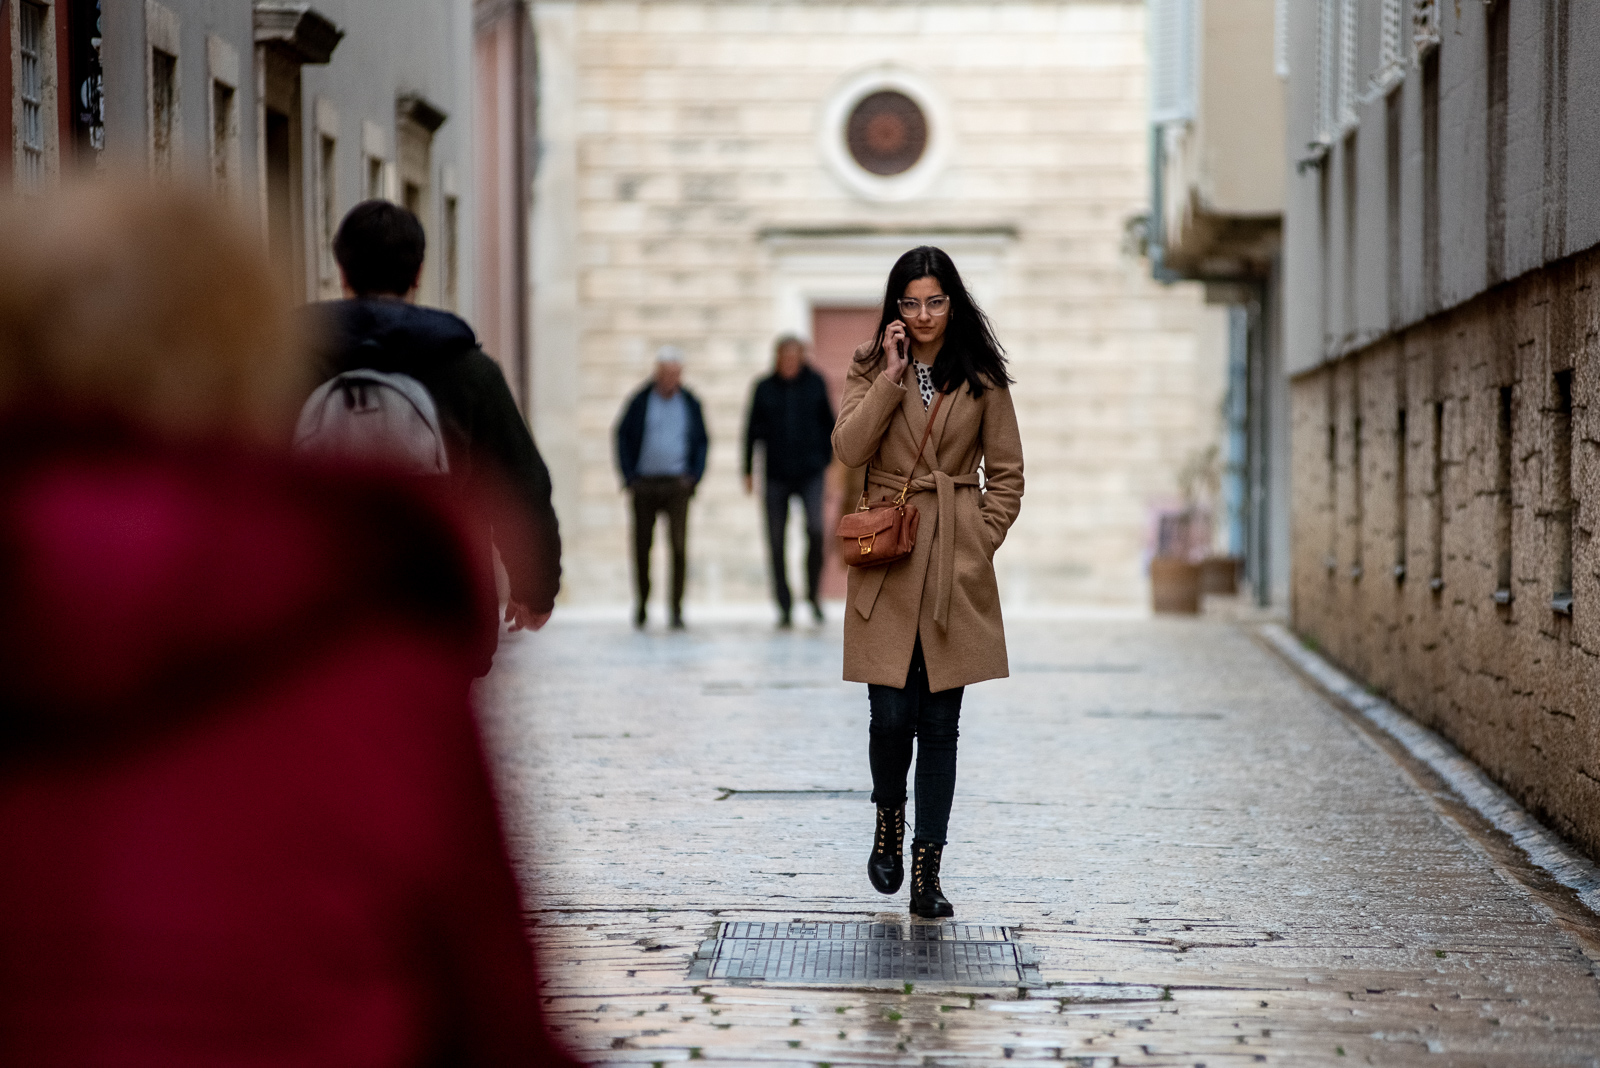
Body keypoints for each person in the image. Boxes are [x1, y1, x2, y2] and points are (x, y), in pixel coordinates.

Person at [0, 181, 580, 1065]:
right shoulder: (392, 693)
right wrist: (535, 581)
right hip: (379, 626)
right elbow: (492, 1008)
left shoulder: (300, 366)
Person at [831, 246, 1024, 919]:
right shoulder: (870, 365)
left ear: (953, 302)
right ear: (895, 307)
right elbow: (850, 450)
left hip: (952, 562)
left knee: (941, 725)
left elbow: (1007, 475)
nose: (923, 315)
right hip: (888, 556)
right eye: (910, 303)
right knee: (890, 716)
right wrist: (889, 378)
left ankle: (927, 872)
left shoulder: (982, 375)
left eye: (935, 301)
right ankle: (889, 817)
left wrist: (977, 540)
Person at [309, 200, 560, 673]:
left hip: (318, 603)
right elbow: (521, 486)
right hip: (439, 604)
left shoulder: (285, 363)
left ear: (341, 271)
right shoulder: (468, 370)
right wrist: (534, 590)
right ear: (418, 273)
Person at [743, 335, 837, 627]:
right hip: (775, 475)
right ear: (777, 359)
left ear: (802, 358)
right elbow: (750, 431)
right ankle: (783, 603)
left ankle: (812, 594)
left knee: (816, 530)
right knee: (775, 539)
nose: (789, 363)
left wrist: (834, 468)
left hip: (811, 473)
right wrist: (747, 471)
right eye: (785, 358)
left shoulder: (816, 383)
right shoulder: (763, 388)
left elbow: (831, 427)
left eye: (794, 358)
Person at [615, 346, 709, 629]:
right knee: (642, 546)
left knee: (678, 547)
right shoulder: (640, 400)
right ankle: (642, 603)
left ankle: (676, 608)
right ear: (657, 373)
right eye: (666, 373)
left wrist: (694, 476)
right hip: (644, 484)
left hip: (677, 484)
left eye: (675, 374)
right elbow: (622, 435)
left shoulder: (690, 403)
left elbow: (702, 441)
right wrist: (629, 477)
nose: (671, 379)